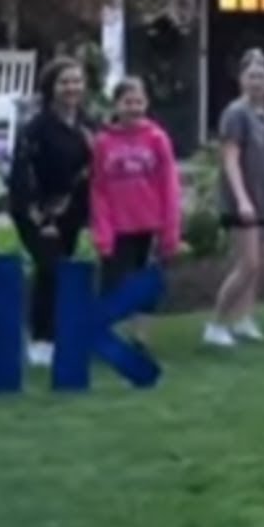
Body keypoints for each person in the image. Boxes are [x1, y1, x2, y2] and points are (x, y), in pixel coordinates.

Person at [8, 57, 97, 367]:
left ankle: (55, 336)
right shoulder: (36, 128)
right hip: (36, 212)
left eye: (76, 81)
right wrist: (41, 218)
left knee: (58, 273)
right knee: (50, 269)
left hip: (71, 212)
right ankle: (40, 340)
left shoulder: (88, 125)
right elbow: (22, 174)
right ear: (51, 88)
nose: (71, 87)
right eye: (64, 82)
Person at [90, 77, 181, 345]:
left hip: (149, 225)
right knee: (113, 283)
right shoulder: (103, 141)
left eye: (139, 102)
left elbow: (169, 185)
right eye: (128, 102)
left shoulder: (157, 138)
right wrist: (102, 231)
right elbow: (99, 189)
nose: (134, 108)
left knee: (147, 284)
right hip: (118, 227)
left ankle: (140, 335)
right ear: (116, 105)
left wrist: (170, 229)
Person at [203, 49, 264, 348]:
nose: (257, 82)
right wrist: (242, 199)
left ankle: (244, 318)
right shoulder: (235, 113)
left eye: (262, 76)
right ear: (241, 80)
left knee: (261, 265)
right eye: (251, 76)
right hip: (241, 200)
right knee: (247, 264)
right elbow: (230, 159)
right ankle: (216, 323)